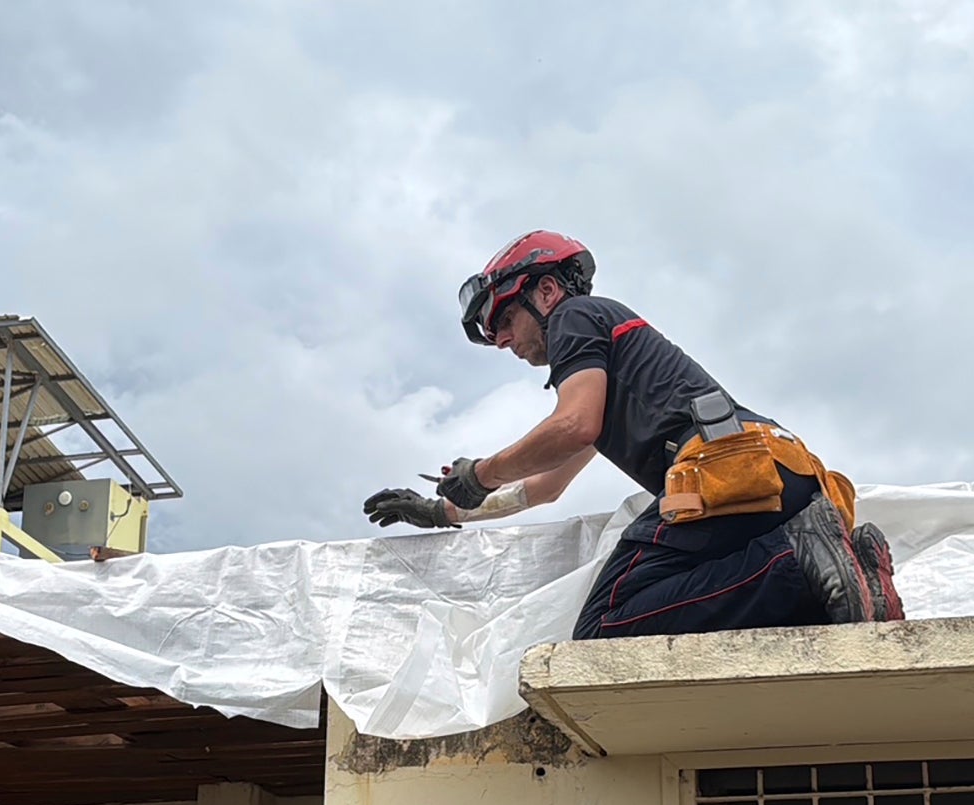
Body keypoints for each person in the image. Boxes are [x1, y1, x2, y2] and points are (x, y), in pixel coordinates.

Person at [363, 231, 903, 636]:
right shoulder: (609, 370)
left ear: (547, 291)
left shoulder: (576, 318)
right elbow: (547, 485)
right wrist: (447, 513)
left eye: (503, 319)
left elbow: (573, 426)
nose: (502, 339)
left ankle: (796, 565)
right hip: (780, 475)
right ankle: (841, 579)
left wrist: (478, 474)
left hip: (724, 471)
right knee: (698, 596)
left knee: (603, 625)